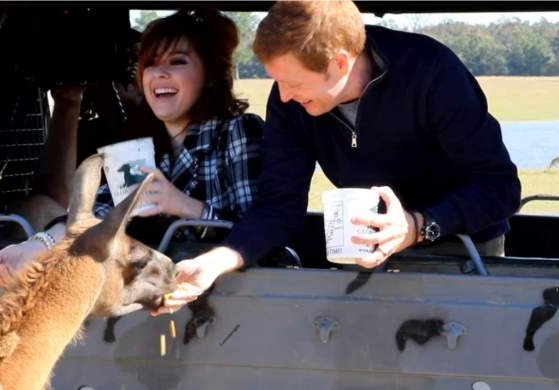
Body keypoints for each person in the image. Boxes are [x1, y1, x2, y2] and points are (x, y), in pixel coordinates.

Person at [156, 0, 521, 315]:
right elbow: (278, 206)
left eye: (294, 84)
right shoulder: (290, 103)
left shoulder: (431, 72)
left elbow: (500, 187)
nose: (282, 98)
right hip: (363, 253)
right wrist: (218, 260)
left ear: (341, 64)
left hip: (463, 250)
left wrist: (416, 226)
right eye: (277, 82)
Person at [0, 7, 264, 288]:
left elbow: (260, 231)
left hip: (230, 294)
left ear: (210, 75)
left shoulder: (237, 132)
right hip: (147, 294)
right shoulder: (142, 146)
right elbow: (95, 213)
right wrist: (37, 246)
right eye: (152, 63)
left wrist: (185, 206)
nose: (160, 73)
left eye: (177, 62)